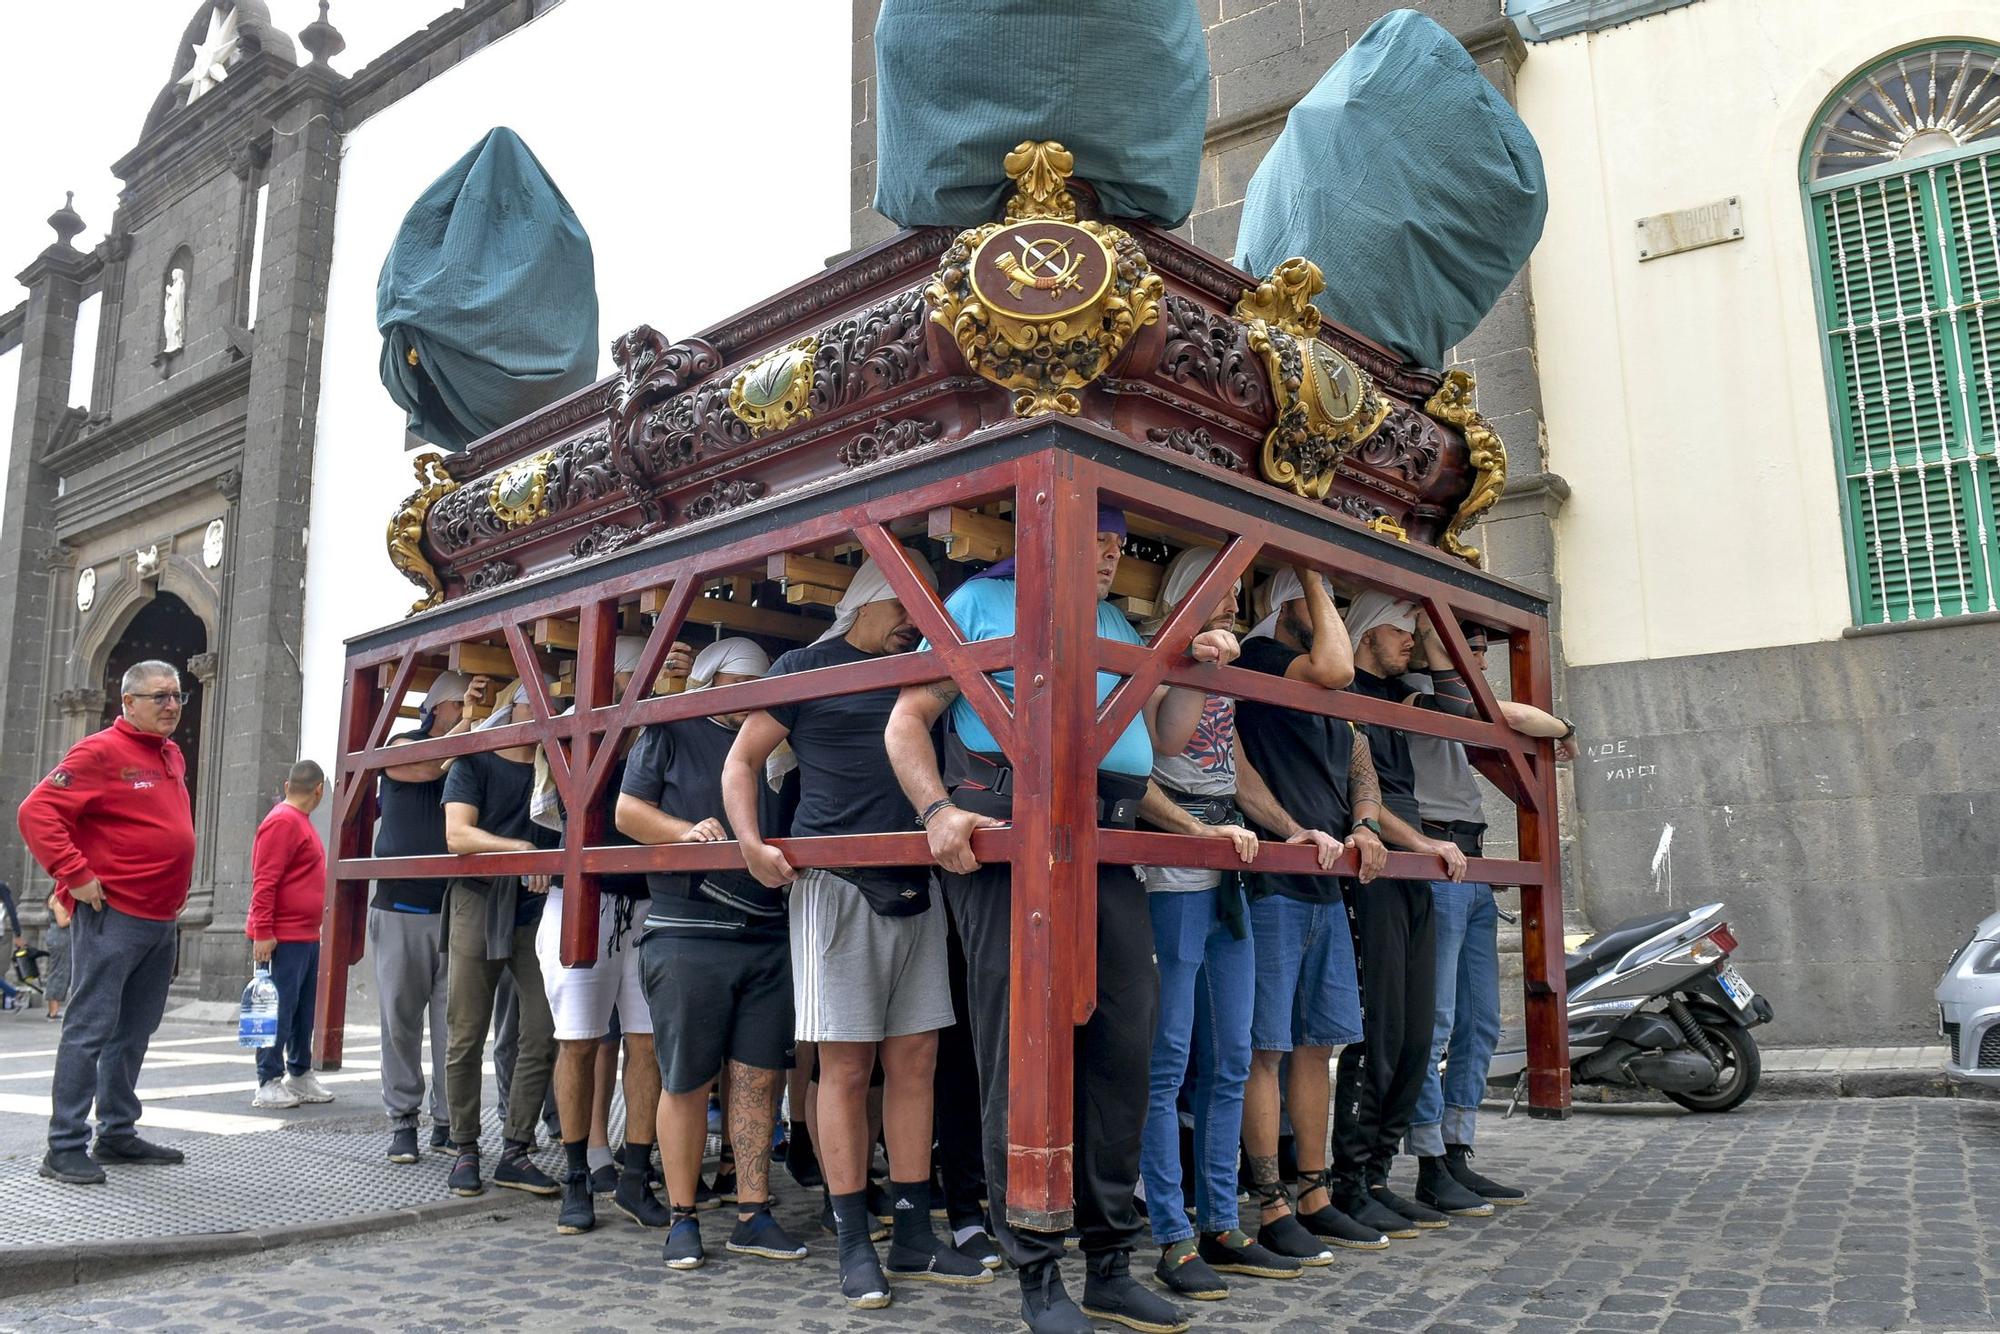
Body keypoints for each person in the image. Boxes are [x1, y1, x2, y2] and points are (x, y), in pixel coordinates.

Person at [885, 508, 1238, 1334]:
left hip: (1105, 842)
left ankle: (1110, 1262)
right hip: (1008, 837)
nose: (1110, 558)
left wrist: (1192, 666)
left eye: (1119, 547)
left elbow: (1159, 740)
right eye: (1098, 543)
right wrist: (936, 809)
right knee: (1022, 1047)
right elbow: (906, 721)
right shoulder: (975, 602)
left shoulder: (1114, 622)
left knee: (1122, 1046)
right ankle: (1038, 1274)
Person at [723, 553, 989, 1310]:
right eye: (906, 608)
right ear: (869, 601)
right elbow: (742, 760)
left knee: (916, 1060)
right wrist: (751, 840)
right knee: (843, 1067)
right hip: (835, 884)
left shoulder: (924, 669)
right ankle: (850, 1241)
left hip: (917, 878)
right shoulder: (807, 665)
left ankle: (910, 1233)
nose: (914, 623)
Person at [1131, 547, 1303, 1301]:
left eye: (1237, 595)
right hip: (1172, 873)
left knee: (1231, 1053)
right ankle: (1171, 1232)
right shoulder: (1146, 660)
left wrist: (1295, 829)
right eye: (1223, 594)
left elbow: (1233, 770)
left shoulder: (1220, 667)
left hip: (1227, 865)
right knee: (1168, 1060)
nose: (1235, 607)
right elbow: (1146, 759)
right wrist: (1189, 665)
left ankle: (1223, 1221)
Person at [619, 636, 810, 1271]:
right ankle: (682, 1217)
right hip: (688, 927)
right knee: (687, 1078)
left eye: (764, 681)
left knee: (760, 1078)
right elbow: (627, 811)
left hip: (767, 930)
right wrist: (685, 832)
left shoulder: (780, 743)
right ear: (710, 679)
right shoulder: (671, 727)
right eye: (742, 680)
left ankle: (753, 1211)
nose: (754, 691)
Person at [1230, 568, 1396, 1256]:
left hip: (1324, 882)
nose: (1335, 612)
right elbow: (1334, 662)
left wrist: (1365, 820)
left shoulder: (1330, 686)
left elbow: (1358, 749)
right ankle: (1271, 1205)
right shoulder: (1265, 653)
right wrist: (1310, 568)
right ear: (1287, 605)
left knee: (1315, 1045)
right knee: (1265, 1048)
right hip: (1273, 880)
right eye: (1323, 601)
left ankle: (1314, 1192)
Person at [1400, 616, 1573, 1213]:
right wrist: (1563, 727)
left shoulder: (1461, 699)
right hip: (1437, 853)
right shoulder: (1420, 692)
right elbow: (1524, 721)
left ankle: (1456, 1147)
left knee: (1481, 1021)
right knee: (1440, 1019)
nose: (1480, 659)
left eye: (1481, 651)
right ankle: (1428, 1157)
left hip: (1469, 859)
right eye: (1470, 650)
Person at [20, 660, 197, 1184]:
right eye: (159, 697)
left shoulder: (170, 754)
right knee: (90, 1028)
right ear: (128, 703)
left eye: (177, 696)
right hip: (111, 915)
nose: (171, 705)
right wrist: (74, 874)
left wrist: (177, 887)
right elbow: (37, 812)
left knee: (134, 1030)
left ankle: (116, 1133)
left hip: (159, 918)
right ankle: (64, 1146)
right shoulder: (99, 752)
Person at [1329, 591, 1471, 1235]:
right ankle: (1353, 1178)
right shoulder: (1345, 690)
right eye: (1400, 628)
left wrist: (1436, 640)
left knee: (1416, 1031)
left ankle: (1379, 1172)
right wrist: (1416, 842)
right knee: (1380, 1026)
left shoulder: (1395, 694)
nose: (1410, 640)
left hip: (1409, 861)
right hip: (1381, 864)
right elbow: (1365, 790)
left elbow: (1461, 709)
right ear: (1362, 631)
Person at [536, 635, 670, 1236]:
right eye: (634, 674)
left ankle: (635, 1176)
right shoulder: (575, 725)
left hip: (644, 902)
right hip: (583, 900)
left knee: (647, 1043)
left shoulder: (661, 722)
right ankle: (575, 1176)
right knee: (579, 1042)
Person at [441, 681, 562, 1199]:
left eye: (552, 708)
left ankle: (516, 1148)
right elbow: (457, 836)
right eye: (533, 705)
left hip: (537, 909)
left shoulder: (555, 766)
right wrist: (519, 849)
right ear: (511, 709)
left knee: (542, 1030)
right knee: (466, 1032)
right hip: (479, 899)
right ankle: (465, 1144)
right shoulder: (476, 762)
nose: (542, 714)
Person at [371, 670, 488, 1161]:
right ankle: (403, 1120)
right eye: (461, 704)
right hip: (401, 907)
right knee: (400, 1020)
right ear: (439, 708)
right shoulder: (406, 743)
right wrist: (474, 723)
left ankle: (449, 1120)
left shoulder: (470, 758)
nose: (468, 712)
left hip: (453, 908)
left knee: (454, 1024)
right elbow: (424, 767)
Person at [246, 760, 333, 1109]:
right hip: (282, 937)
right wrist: (263, 932)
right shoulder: (283, 821)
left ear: (287, 785)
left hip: (305, 935)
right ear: (319, 791)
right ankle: (267, 1081)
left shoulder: (299, 822)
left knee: (301, 1012)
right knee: (275, 1011)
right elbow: (264, 881)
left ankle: (298, 1073)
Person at [41, 892, 71, 1021]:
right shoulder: (57, 899)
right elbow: (62, 922)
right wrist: (75, 915)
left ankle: (54, 1010)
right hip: (61, 937)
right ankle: (53, 1012)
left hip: (60, 937)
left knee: (60, 971)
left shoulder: (55, 898)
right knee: (59, 972)